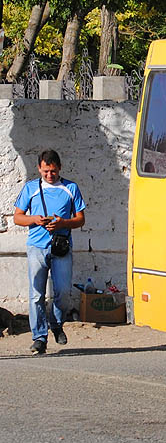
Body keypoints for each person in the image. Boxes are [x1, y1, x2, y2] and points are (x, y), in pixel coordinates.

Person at [13, 150, 87, 354]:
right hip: (36, 246)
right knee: (36, 294)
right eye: (45, 171)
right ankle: (39, 337)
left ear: (59, 168)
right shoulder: (31, 188)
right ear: (39, 168)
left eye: (53, 171)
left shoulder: (71, 188)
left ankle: (56, 323)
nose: (49, 175)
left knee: (63, 292)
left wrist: (63, 223)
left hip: (61, 246)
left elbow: (80, 219)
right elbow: (18, 217)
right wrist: (35, 219)